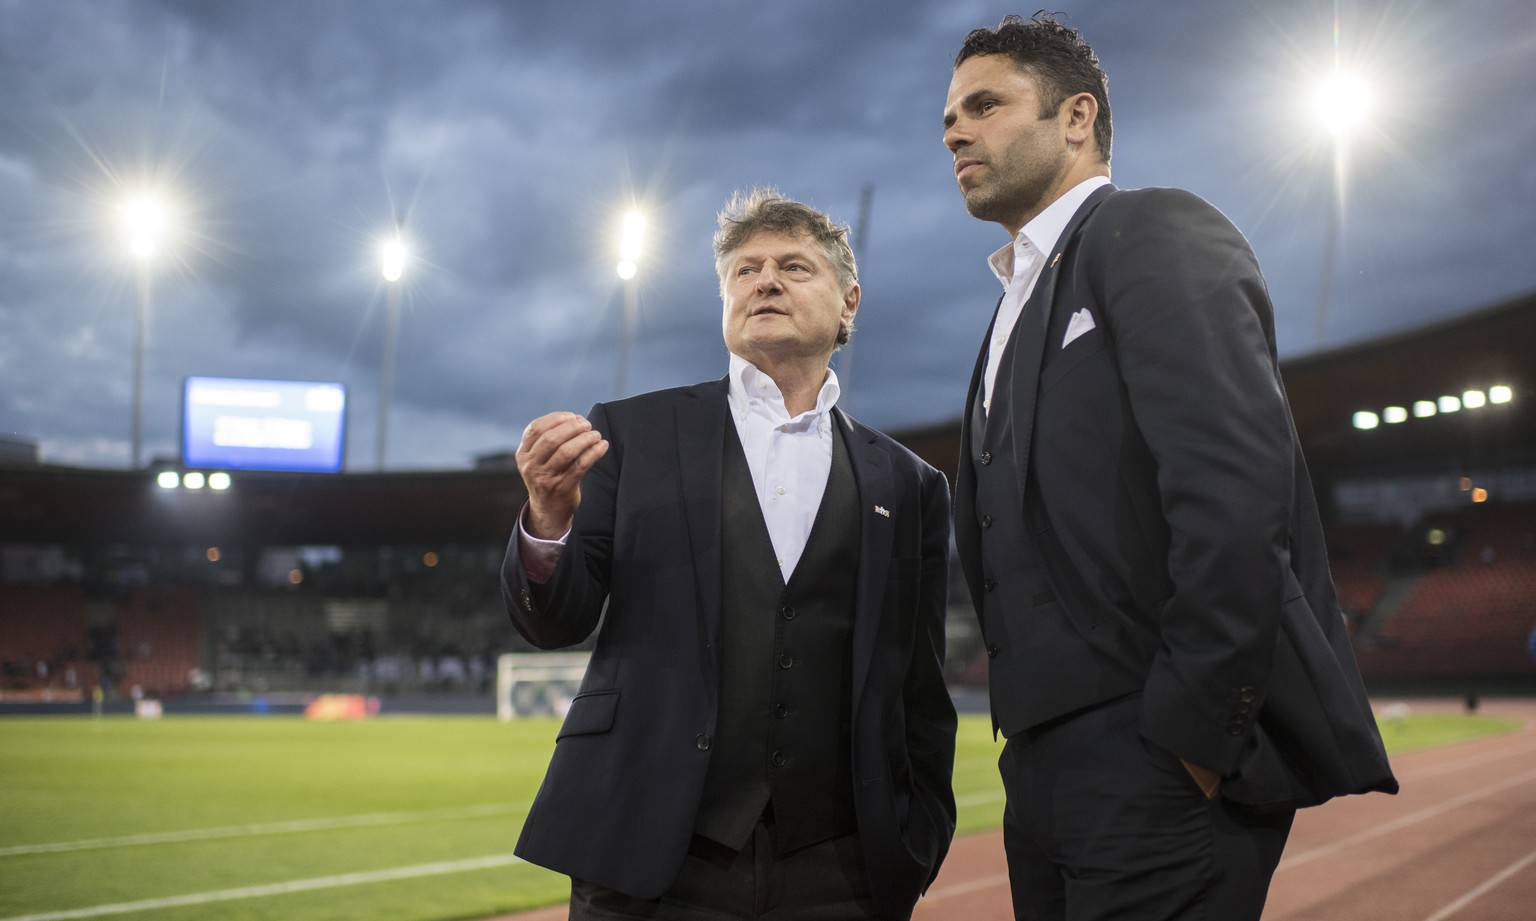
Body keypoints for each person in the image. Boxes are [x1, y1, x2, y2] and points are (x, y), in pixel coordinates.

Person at [940, 15, 1398, 921]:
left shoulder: (1153, 230)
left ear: (1077, 118)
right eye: (949, 118)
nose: (955, 131)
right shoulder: (1005, 314)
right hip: (1039, 761)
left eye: (984, 105)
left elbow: (1234, 492)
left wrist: (1189, 739)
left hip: (1154, 754)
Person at [504, 189, 957, 920]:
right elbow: (554, 621)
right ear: (725, 301)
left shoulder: (909, 483)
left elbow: (920, 694)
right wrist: (547, 519)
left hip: (840, 871)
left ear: (849, 303)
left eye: (792, 266)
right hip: (651, 858)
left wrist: (918, 836)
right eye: (744, 270)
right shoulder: (631, 433)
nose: (765, 281)